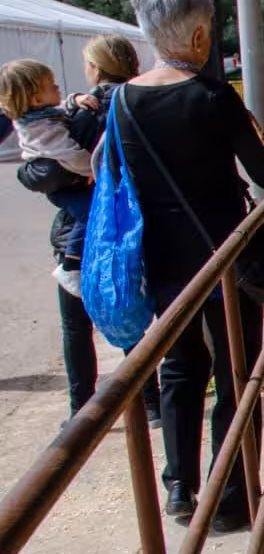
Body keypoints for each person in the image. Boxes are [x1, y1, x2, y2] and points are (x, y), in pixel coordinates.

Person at [119, 0, 264, 532]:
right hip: (224, 254)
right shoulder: (213, 97)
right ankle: (231, 500)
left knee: (182, 369)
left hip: (162, 259)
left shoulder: (122, 100)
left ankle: (180, 489)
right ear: (201, 33)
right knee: (237, 373)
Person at [1, 44, 161, 427]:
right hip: (131, 224)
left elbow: (46, 174)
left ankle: (83, 412)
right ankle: (150, 401)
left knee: (76, 324)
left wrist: (35, 175)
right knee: (129, 311)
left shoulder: (84, 116)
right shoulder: (138, 100)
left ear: (95, 68)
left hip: (84, 234)